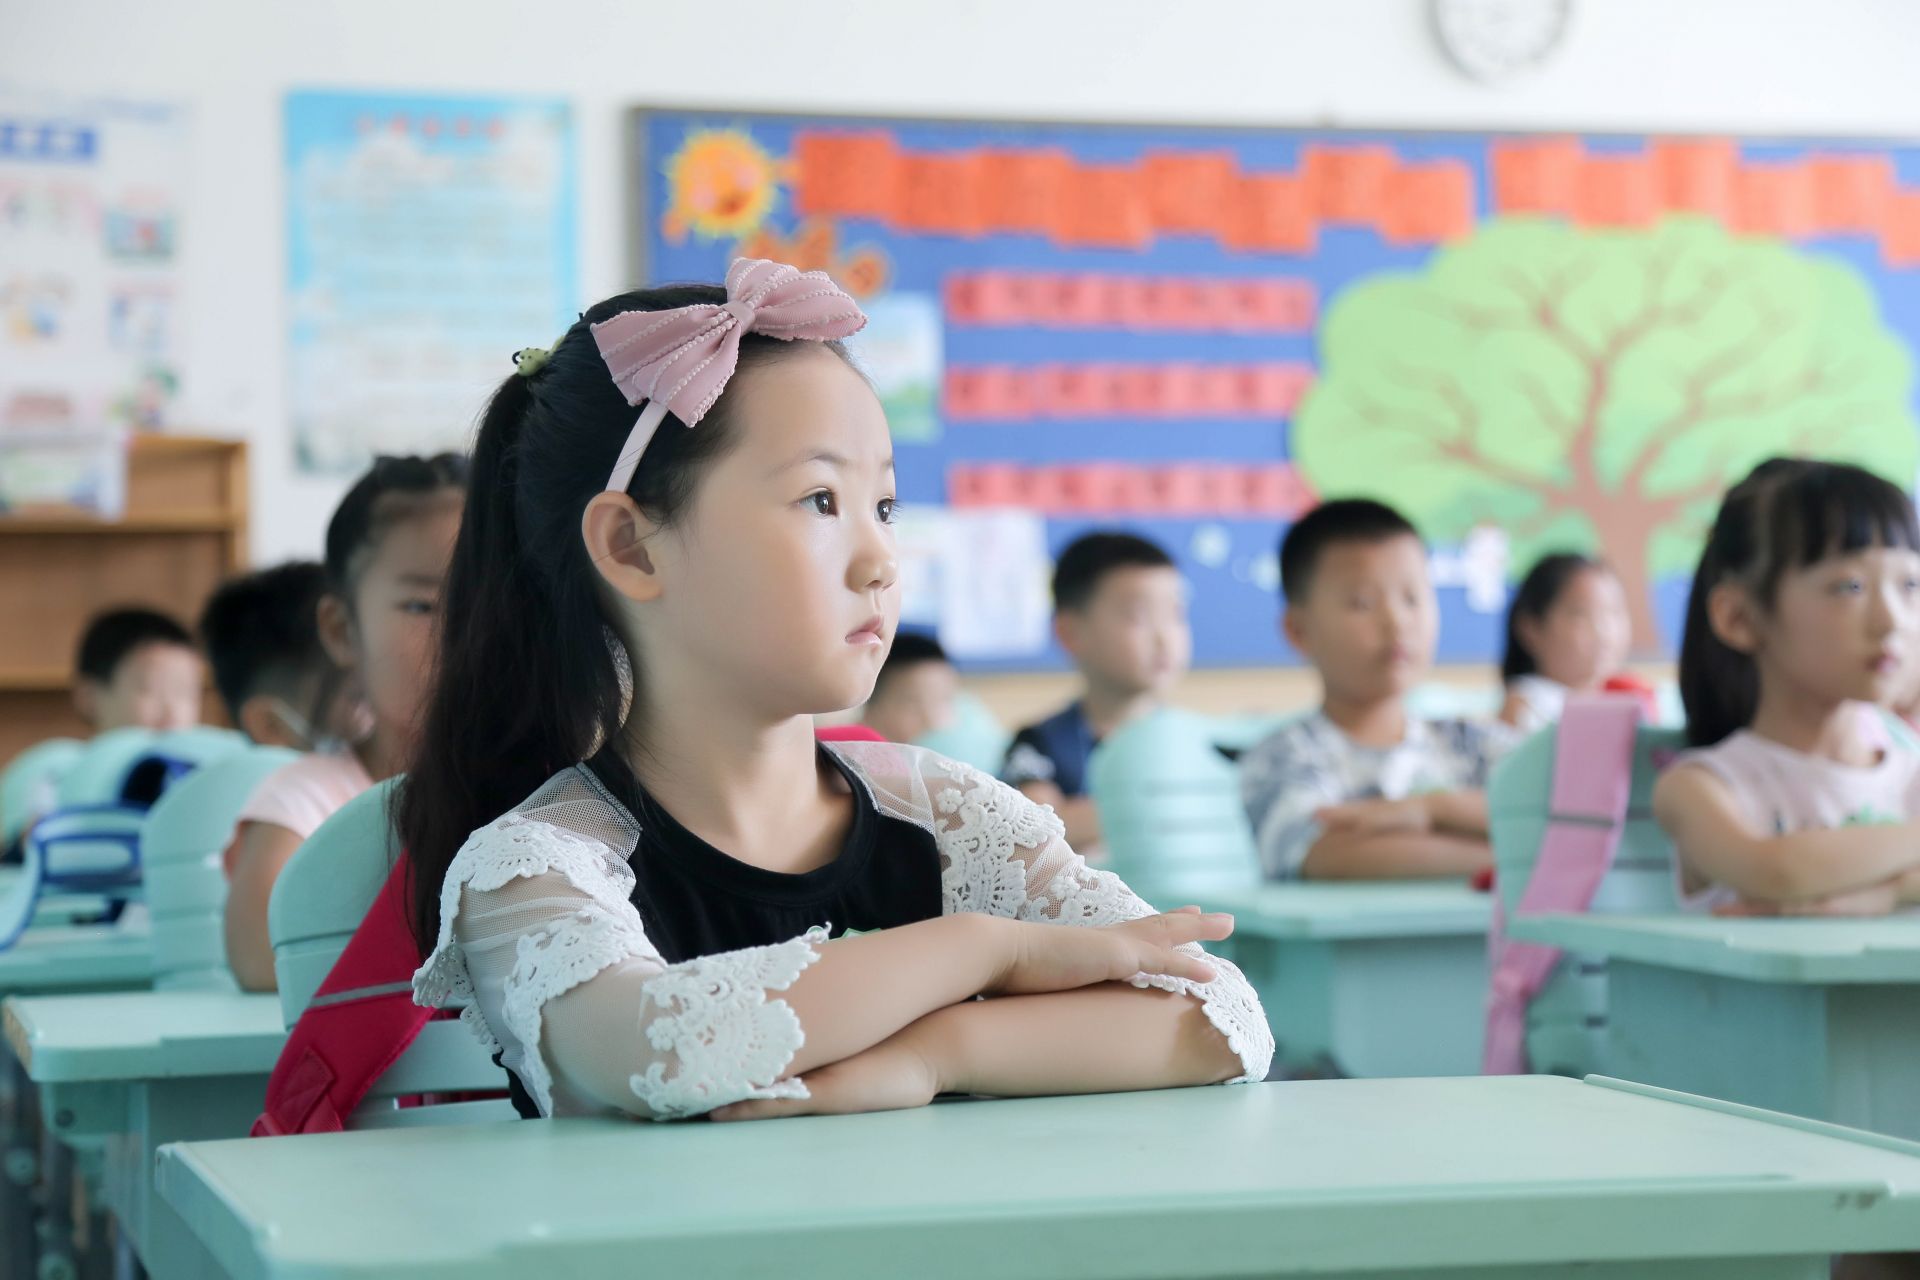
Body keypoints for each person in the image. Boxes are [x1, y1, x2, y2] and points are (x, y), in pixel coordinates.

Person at [400, 260, 1272, 1122]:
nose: (881, 560)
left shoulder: (949, 818)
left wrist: (936, 1055)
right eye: (821, 500)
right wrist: (989, 950)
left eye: (884, 506)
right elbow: (656, 1045)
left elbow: (1217, 1019)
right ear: (631, 546)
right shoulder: (536, 863)